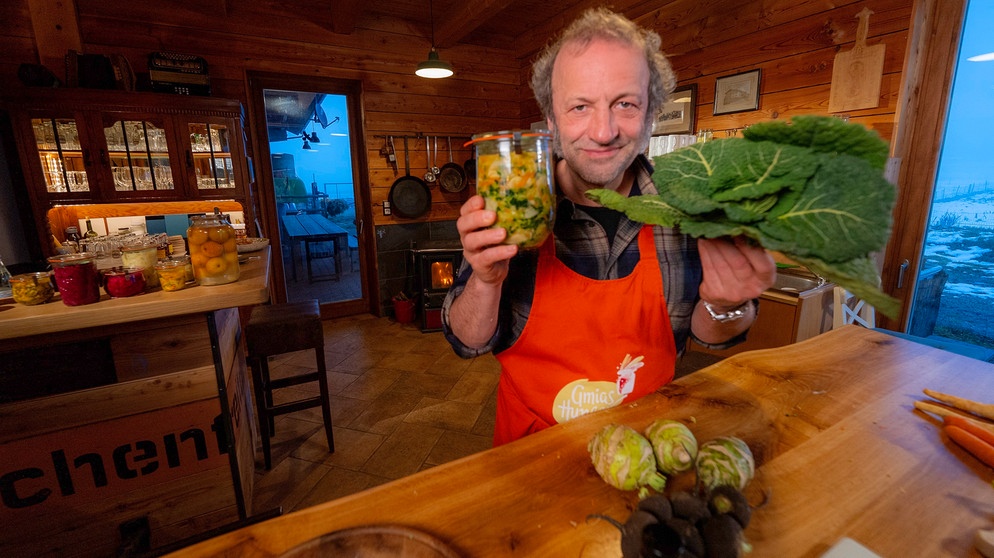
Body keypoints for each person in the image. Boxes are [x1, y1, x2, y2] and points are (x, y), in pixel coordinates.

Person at [441, 8, 776, 446]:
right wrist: (485, 282)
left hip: (649, 449)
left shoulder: (690, 207)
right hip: (531, 458)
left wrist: (724, 303)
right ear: (552, 119)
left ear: (651, 113)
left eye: (625, 104)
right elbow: (468, 342)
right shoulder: (514, 208)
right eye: (580, 106)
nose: (603, 131)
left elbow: (709, 336)